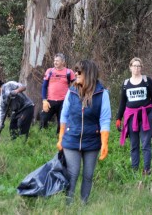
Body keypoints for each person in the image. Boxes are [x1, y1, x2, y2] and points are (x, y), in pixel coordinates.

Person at [56, 60, 111, 204]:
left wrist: (104, 142)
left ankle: (83, 205)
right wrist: (61, 137)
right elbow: (64, 115)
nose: (76, 74)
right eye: (75, 71)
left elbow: (105, 119)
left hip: (92, 141)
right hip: (71, 139)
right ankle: (68, 205)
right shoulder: (72, 91)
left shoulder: (102, 93)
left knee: (88, 175)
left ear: (89, 73)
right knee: (72, 173)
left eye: (79, 71)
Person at [116, 57, 152, 175]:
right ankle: (134, 170)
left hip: (147, 115)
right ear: (130, 67)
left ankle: (147, 169)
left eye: (138, 66)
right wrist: (118, 118)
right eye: (134, 66)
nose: (136, 68)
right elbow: (122, 102)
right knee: (134, 144)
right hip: (131, 116)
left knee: (146, 143)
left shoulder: (147, 81)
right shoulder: (126, 84)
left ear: (141, 67)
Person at [41, 53, 76, 133]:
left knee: (62, 122)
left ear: (63, 62)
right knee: (43, 119)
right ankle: (43, 137)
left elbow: (76, 86)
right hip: (50, 101)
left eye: (57, 61)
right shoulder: (50, 71)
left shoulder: (69, 72)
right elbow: (44, 86)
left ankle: (59, 138)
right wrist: (44, 100)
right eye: (54, 60)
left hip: (64, 102)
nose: (55, 62)